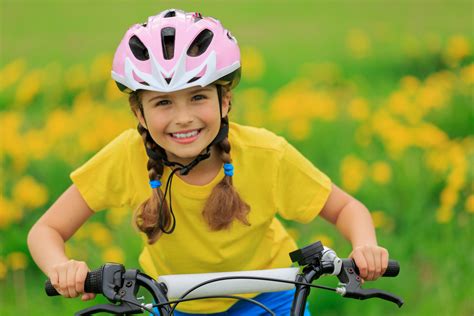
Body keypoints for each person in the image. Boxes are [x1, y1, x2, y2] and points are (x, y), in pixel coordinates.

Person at [28, 9, 389, 315]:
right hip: (171, 299)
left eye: (198, 97)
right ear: (139, 112)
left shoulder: (266, 154)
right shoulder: (127, 155)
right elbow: (46, 231)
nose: (183, 118)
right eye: (163, 103)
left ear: (225, 101)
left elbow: (346, 208)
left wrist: (364, 247)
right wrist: (62, 268)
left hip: (272, 296)